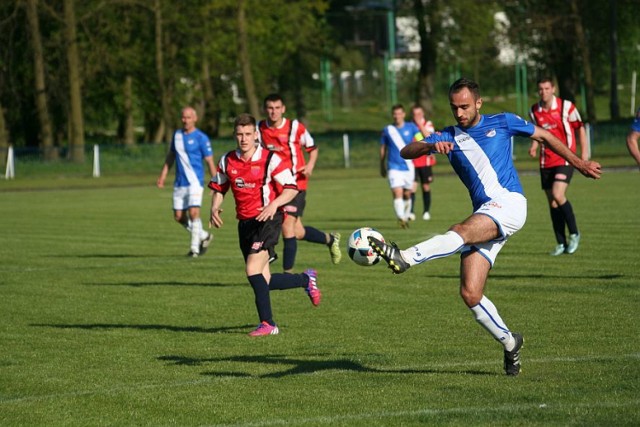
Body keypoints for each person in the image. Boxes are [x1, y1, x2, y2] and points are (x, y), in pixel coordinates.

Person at [368, 78, 601, 376]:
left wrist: (578, 163)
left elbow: (543, 136)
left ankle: (405, 257)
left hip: (511, 204)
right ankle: (509, 342)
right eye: (455, 107)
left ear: (478, 102)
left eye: (465, 106)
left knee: (461, 230)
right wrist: (429, 145)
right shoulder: (448, 135)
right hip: (487, 213)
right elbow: (406, 151)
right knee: (470, 293)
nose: (460, 113)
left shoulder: (502, 122)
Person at [208, 113, 321, 337]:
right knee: (264, 279)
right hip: (245, 225)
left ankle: (268, 324)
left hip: (268, 221)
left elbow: (291, 188)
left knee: (251, 269)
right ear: (234, 135)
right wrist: (214, 207)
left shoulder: (271, 159)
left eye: (248, 134)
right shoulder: (227, 160)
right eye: (239, 134)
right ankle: (306, 279)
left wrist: (273, 205)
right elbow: (219, 188)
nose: (244, 139)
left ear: (255, 135)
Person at [257, 93, 341, 273]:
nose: (273, 112)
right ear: (265, 109)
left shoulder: (295, 127)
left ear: (283, 109)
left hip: (295, 185)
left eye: (277, 108)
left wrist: (310, 164)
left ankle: (288, 273)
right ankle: (330, 239)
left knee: (287, 227)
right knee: (298, 232)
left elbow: (313, 148)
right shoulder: (259, 128)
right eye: (270, 108)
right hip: (273, 187)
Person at [528, 77, 589, 256]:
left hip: (565, 158)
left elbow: (580, 128)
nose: (543, 92)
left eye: (547, 88)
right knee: (552, 202)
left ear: (553, 89)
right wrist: (533, 146)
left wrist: (584, 154)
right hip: (546, 161)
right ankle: (561, 243)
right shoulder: (534, 110)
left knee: (558, 194)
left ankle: (575, 233)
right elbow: (536, 133)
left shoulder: (566, 107)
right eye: (540, 89)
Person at [157, 107, 216, 257]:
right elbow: (171, 156)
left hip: (195, 181)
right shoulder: (176, 135)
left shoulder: (201, 138)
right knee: (178, 217)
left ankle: (194, 249)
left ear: (195, 118)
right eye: (183, 117)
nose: (185, 120)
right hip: (179, 183)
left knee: (194, 213)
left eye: (188, 117)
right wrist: (163, 175)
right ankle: (204, 236)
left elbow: (209, 161)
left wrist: (216, 182)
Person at [379, 104, 420, 228]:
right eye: (394, 114)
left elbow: (421, 139)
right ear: (393, 115)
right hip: (393, 166)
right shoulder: (387, 130)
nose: (397, 116)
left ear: (403, 114)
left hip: (408, 166)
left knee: (407, 193)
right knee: (397, 192)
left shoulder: (412, 127)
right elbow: (383, 148)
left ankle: (406, 215)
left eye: (399, 113)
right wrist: (381, 164)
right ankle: (401, 218)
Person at [410, 104, 436, 221]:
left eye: (419, 114)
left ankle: (426, 211)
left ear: (423, 114)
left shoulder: (428, 124)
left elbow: (429, 137)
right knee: (412, 187)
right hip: (412, 162)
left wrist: (420, 124)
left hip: (425, 161)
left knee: (425, 186)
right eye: (415, 114)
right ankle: (410, 212)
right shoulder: (409, 127)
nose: (417, 116)